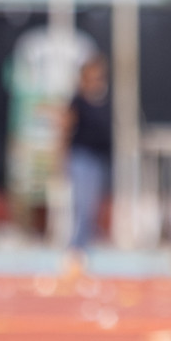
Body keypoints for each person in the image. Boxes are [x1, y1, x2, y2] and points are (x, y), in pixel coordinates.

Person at [62, 54, 112, 255]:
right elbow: (65, 129)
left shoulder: (105, 101)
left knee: (93, 206)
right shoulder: (77, 101)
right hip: (81, 157)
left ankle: (84, 245)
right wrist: (61, 158)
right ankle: (76, 247)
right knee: (83, 204)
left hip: (100, 158)